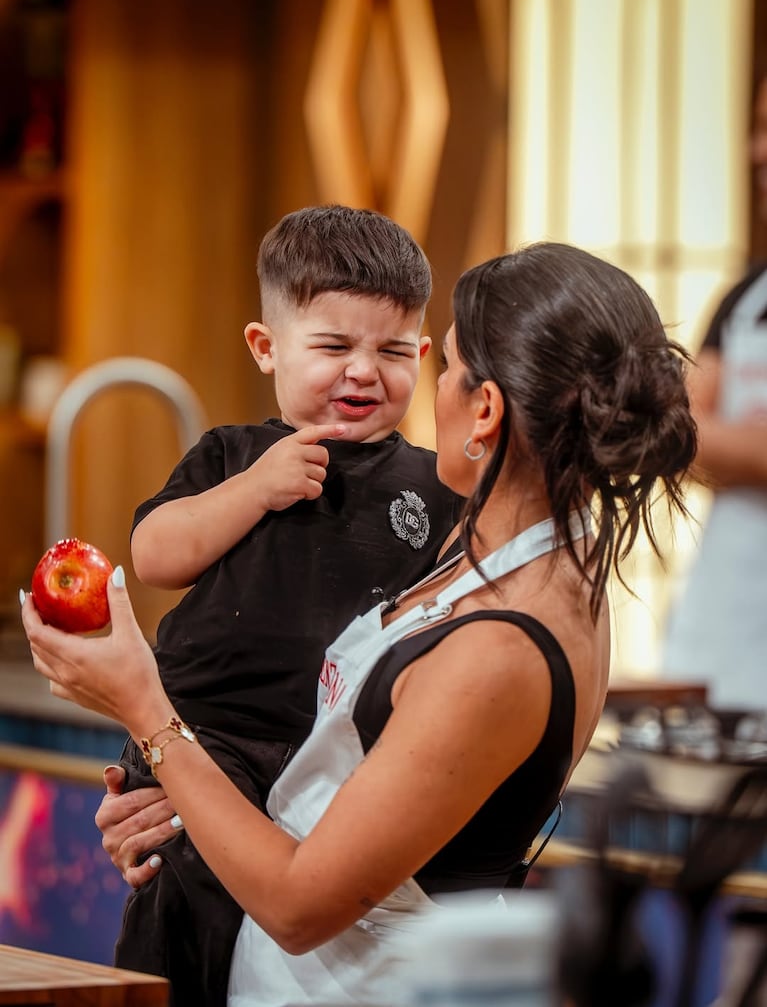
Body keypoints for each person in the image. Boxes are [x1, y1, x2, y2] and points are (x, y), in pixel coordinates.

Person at [22, 241, 698, 1007]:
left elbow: (301, 904)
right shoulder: (493, 552)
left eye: (439, 363)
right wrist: (176, 800)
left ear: (484, 408)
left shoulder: (502, 647)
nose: (422, 386)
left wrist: (146, 709)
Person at [103, 205, 461, 1005]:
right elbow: (155, 554)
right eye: (333, 346)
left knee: (287, 928)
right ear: (267, 348)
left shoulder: (436, 486)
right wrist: (250, 491)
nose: (363, 371)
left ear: (425, 355)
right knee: (186, 906)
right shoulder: (233, 454)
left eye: (392, 350)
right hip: (211, 736)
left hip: (338, 752)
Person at [662, 76, 767, 710]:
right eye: (757, 128)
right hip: (720, 646)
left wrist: (706, 436)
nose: (759, 151)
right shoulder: (744, 298)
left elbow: (680, 428)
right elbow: (675, 434)